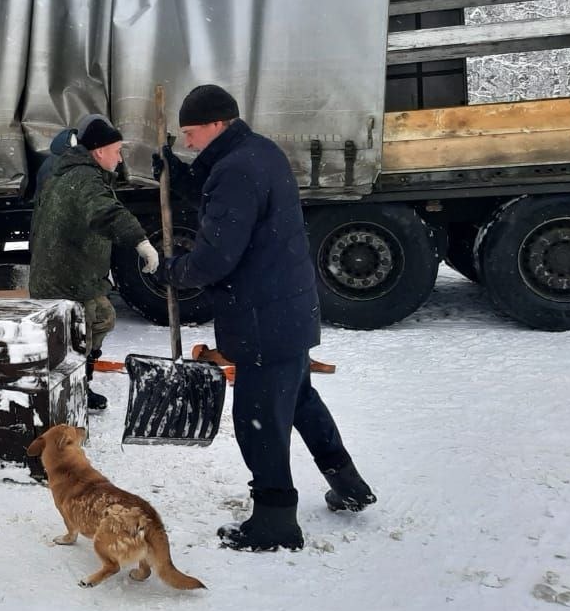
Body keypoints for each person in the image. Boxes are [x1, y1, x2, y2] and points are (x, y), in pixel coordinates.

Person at [155, 84, 376, 552]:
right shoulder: (259, 153)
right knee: (299, 402)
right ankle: (350, 485)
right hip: (287, 310)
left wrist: (173, 271)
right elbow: (228, 202)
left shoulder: (236, 170)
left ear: (217, 124)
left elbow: (217, 255)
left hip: (260, 318)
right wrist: (178, 174)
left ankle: (276, 521)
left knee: (258, 419)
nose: (188, 142)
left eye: (191, 134)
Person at [29, 114, 160, 412]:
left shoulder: (73, 173)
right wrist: (141, 242)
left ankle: (77, 385)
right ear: (99, 151)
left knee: (100, 318)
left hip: (70, 271)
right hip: (65, 277)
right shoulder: (83, 178)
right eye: (116, 150)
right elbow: (106, 211)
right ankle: (69, 392)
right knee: (84, 329)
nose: (120, 157)